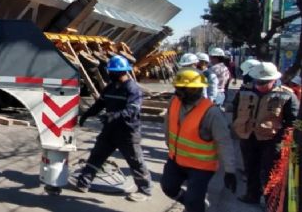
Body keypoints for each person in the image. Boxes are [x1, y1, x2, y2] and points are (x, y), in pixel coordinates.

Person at [74, 55, 152, 202]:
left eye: (112, 72)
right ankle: (83, 182)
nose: (110, 74)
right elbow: (100, 104)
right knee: (97, 155)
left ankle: (144, 190)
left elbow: (132, 110)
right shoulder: (110, 87)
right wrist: (86, 114)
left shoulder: (132, 89)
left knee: (136, 161)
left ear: (121, 72)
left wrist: (113, 116)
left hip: (127, 132)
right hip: (109, 131)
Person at [161, 68, 237, 212]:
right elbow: (168, 124)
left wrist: (230, 170)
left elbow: (224, 142)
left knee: (193, 201)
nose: (181, 93)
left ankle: (195, 206)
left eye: (187, 89)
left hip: (201, 167)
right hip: (176, 159)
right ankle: (194, 204)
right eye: (180, 89)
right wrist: (169, 145)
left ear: (198, 89)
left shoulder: (212, 112)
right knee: (168, 187)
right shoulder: (174, 101)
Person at [231, 62, 300, 204]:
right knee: (250, 168)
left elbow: (292, 121)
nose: (260, 85)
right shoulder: (244, 92)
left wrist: (284, 140)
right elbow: (236, 111)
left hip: (272, 140)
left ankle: (271, 202)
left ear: (274, 80)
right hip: (248, 137)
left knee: (270, 173)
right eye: (258, 81)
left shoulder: (286, 96)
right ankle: (252, 195)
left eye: (264, 82)